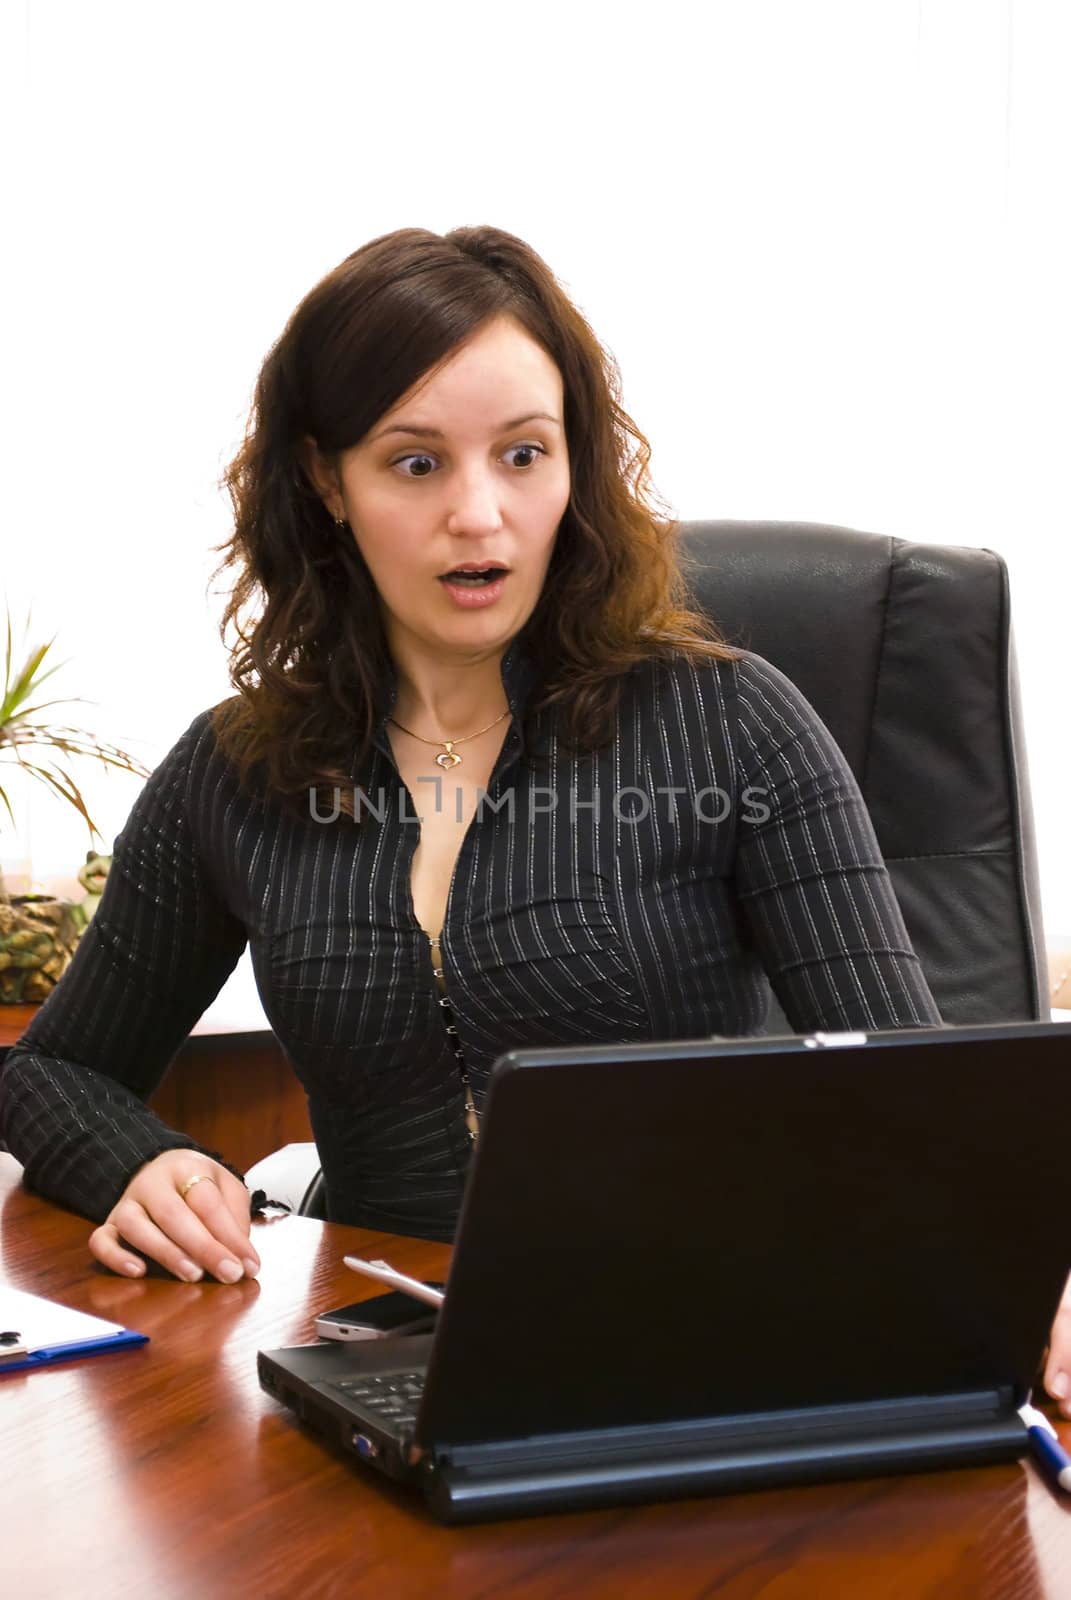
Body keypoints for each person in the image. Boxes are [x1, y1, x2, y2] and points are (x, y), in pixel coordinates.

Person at [1, 222, 1065, 1411]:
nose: (480, 514)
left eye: (522, 453)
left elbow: (916, 1097)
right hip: (379, 1363)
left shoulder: (734, 723)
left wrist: (1041, 1274)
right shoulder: (236, 771)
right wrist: (138, 1160)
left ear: (576, 463)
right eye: (415, 463)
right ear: (324, 481)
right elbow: (49, 1073)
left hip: (703, 1352)